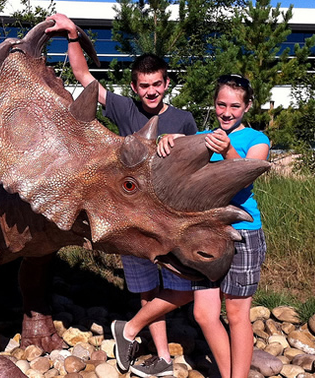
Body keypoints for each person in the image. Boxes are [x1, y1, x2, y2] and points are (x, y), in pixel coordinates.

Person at [45, 14, 198, 377]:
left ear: (167, 84)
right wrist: (72, 35)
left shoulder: (184, 119)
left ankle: (127, 329)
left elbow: (197, 168)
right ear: (134, 87)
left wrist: (179, 144)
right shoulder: (124, 109)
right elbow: (84, 77)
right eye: (144, 85)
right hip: (132, 217)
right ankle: (161, 356)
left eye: (157, 84)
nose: (151, 91)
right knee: (147, 288)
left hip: (171, 218)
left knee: (183, 287)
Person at [132, 73, 268, 378]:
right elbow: (178, 147)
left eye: (235, 105)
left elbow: (246, 177)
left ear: (247, 107)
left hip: (243, 234)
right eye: (221, 104)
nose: (227, 112)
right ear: (214, 104)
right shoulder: (206, 135)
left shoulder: (257, 140)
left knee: (236, 314)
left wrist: (228, 150)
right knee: (204, 314)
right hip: (204, 236)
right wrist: (168, 140)